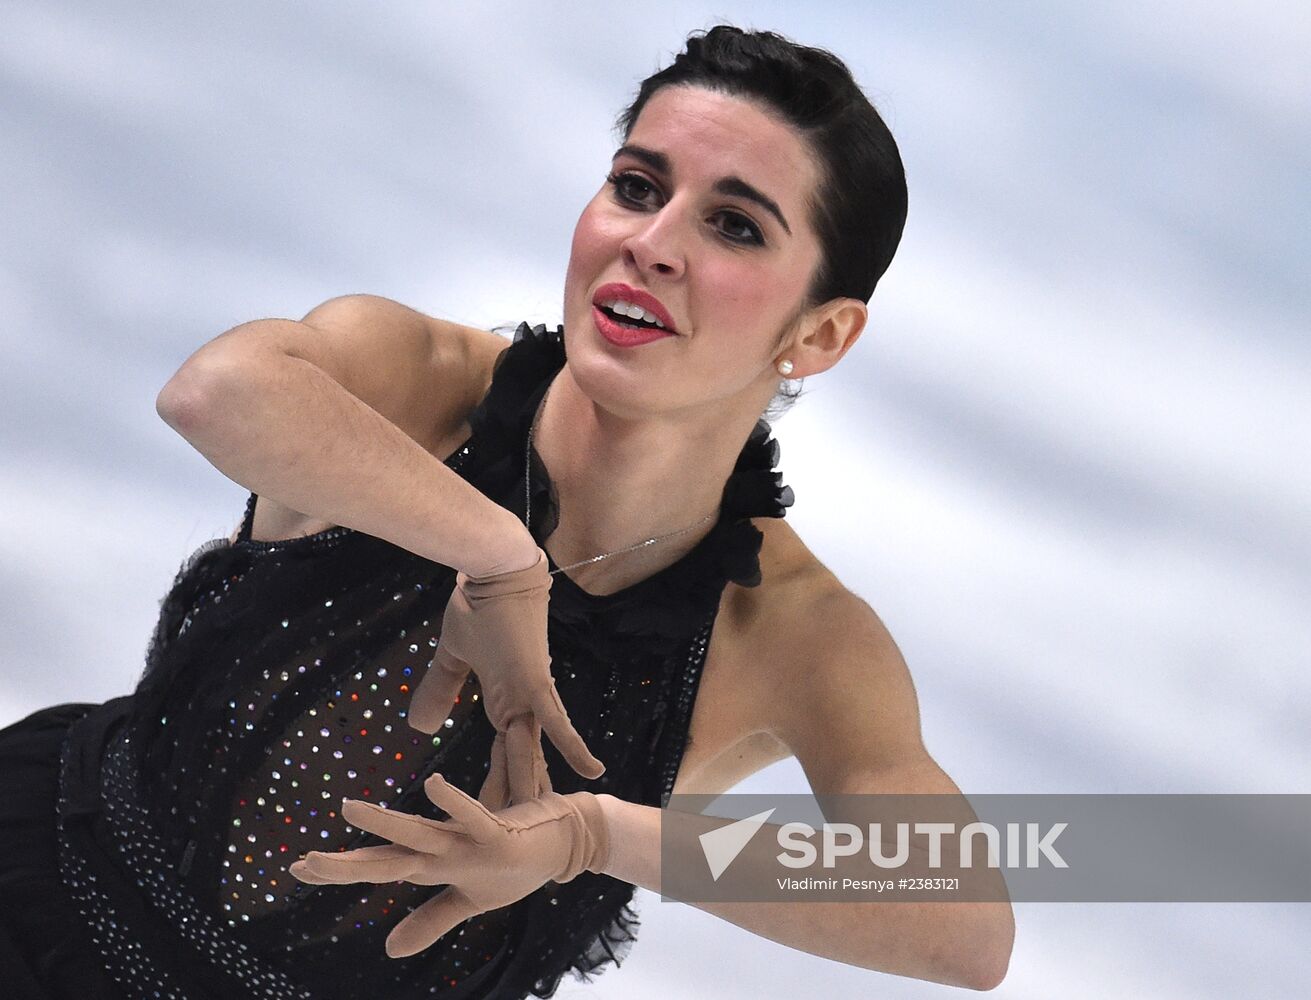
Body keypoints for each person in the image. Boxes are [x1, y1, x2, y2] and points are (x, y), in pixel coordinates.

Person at [0, 23, 1014, 999]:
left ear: (823, 333)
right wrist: (496, 554)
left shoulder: (788, 635)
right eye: (636, 186)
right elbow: (215, 393)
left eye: (734, 224)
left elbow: (965, 925)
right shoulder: (421, 388)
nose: (652, 244)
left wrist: (594, 835)